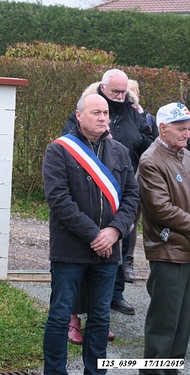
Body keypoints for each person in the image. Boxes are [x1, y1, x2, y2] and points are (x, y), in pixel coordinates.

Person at [43, 94, 138, 374]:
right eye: (96, 112)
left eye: (106, 113)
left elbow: (132, 197)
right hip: (69, 250)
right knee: (60, 316)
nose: (103, 118)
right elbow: (59, 199)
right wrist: (95, 235)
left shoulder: (120, 151)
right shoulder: (59, 150)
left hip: (108, 253)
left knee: (100, 318)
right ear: (79, 115)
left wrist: (114, 231)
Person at [62, 69, 154, 316]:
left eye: (123, 92)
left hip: (125, 184)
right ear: (102, 87)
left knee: (121, 243)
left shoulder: (133, 112)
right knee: (90, 246)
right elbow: (68, 145)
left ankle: (115, 295)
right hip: (89, 191)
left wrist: (132, 144)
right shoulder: (87, 107)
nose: (120, 96)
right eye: (115, 91)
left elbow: (148, 140)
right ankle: (79, 308)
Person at [137, 102, 190, 374]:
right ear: (163, 128)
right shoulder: (150, 160)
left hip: (186, 249)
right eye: (181, 128)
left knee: (183, 323)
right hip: (168, 250)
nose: (187, 133)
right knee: (164, 324)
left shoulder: (185, 156)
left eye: (188, 128)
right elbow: (161, 209)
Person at [123, 79, 159, 283]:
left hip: (138, 177)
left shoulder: (148, 119)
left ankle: (128, 262)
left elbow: (153, 148)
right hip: (120, 176)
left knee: (133, 222)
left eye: (133, 92)